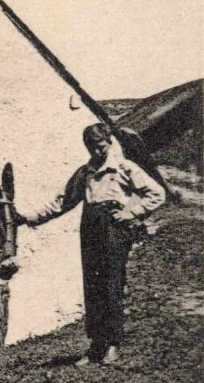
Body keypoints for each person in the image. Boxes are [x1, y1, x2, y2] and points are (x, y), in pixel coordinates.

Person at [23, 123, 165, 366]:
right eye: (92, 148)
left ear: (109, 142)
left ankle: (112, 344)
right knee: (93, 285)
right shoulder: (84, 172)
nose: (97, 152)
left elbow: (157, 193)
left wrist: (132, 213)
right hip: (89, 228)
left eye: (100, 146)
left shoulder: (124, 167)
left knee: (111, 284)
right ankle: (96, 345)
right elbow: (62, 202)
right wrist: (30, 218)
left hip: (113, 229)